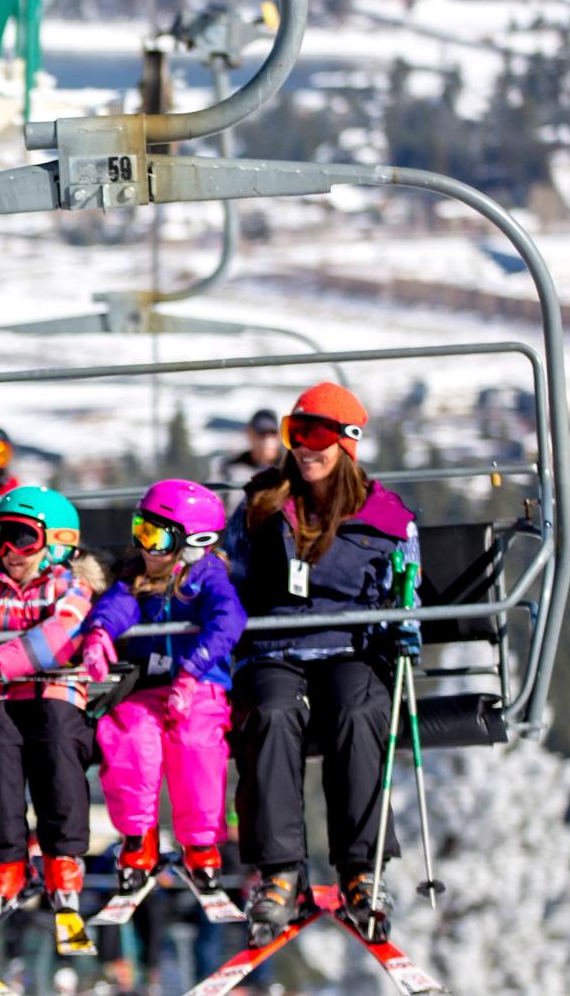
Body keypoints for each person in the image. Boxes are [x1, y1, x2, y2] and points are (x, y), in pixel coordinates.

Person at [225, 382, 420, 944]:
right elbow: (232, 581)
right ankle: (280, 872)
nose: (304, 448)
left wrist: (404, 629)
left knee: (357, 711)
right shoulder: (262, 503)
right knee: (269, 712)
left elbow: (406, 591)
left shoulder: (385, 516)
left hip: (350, 647)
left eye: (316, 435)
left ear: (347, 442)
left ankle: (361, 867)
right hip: (274, 648)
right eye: (296, 434)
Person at [0, 485, 104, 923]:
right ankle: (5, 861)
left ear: (56, 544)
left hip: (55, 690)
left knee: (58, 745)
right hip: (4, 698)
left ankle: (62, 857)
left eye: (22, 538)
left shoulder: (71, 585)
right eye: (0, 537)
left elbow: (62, 635)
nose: (9, 551)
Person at [79, 479, 247, 896]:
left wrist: (193, 672)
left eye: (154, 536)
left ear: (193, 542)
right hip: (147, 688)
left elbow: (229, 620)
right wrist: (100, 634)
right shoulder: (139, 574)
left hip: (200, 686)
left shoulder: (209, 577)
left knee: (196, 745)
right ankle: (138, 839)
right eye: (140, 530)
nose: (143, 546)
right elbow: (118, 605)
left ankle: (200, 843)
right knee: (129, 739)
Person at [218, 408, 284, 486]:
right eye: (261, 433)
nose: (267, 439)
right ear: (249, 433)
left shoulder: (292, 468)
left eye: (272, 432)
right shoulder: (230, 468)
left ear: (280, 435)